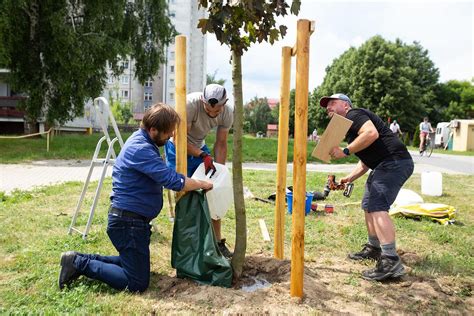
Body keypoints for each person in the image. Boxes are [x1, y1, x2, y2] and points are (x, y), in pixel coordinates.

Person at [58, 103, 213, 292]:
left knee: (132, 264)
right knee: (137, 283)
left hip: (130, 221)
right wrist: (202, 184)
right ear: (154, 129)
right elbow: (171, 180)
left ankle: (74, 258)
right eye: (169, 132)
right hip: (128, 224)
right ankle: (79, 263)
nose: (171, 135)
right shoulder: (141, 149)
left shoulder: (143, 141)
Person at [320, 93, 414, 281]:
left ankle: (390, 261)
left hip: (393, 162)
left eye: (332, 103)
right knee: (368, 204)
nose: (328, 108)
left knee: (378, 206)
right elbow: (364, 162)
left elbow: (371, 134)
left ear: (345, 105)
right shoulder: (350, 129)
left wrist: (345, 151)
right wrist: (348, 178)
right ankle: (374, 248)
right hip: (384, 164)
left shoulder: (354, 114)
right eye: (326, 106)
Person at [164, 83, 234, 258]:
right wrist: (202, 155)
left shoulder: (227, 112)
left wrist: (218, 171)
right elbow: (179, 139)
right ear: (203, 101)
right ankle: (187, 246)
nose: (212, 114)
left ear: (223, 105)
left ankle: (218, 243)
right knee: (184, 193)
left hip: (200, 148)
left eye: (216, 111)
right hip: (177, 147)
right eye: (208, 110)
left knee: (212, 191)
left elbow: (221, 143)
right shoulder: (189, 105)